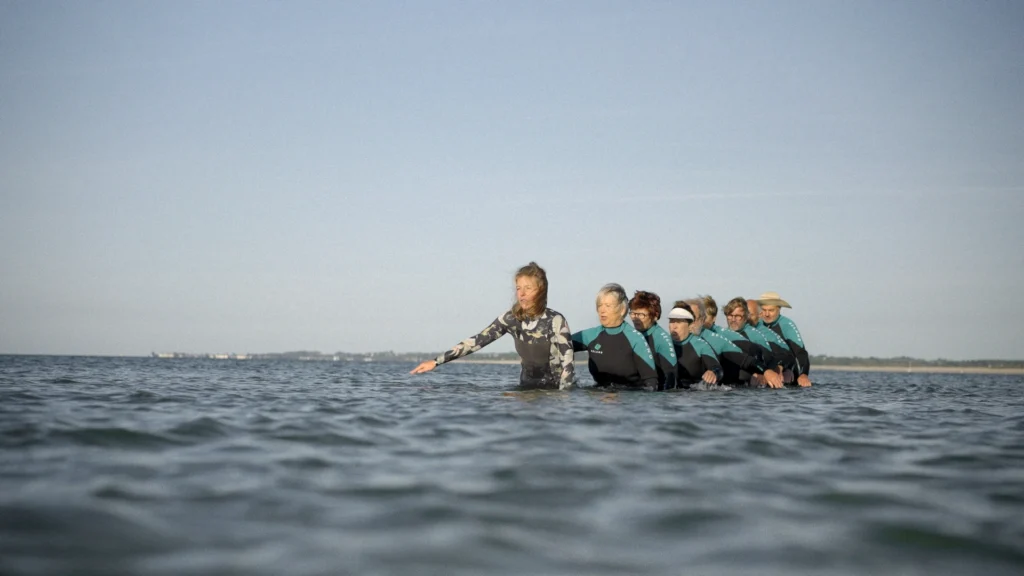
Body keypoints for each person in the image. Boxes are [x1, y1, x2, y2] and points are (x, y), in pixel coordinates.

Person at [410, 262, 575, 390]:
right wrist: (436, 361)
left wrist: (563, 398)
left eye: (528, 288)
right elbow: (477, 341)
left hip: (553, 396)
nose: (522, 294)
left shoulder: (555, 321)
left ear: (540, 290)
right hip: (525, 392)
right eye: (518, 288)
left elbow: (568, 365)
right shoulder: (511, 319)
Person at [571, 283, 659, 391]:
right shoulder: (591, 335)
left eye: (608, 306)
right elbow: (560, 344)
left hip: (630, 398)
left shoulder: (635, 339)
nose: (602, 310)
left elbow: (651, 382)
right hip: (599, 397)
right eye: (599, 305)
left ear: (622, 310)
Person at [691, 295, 782, 388]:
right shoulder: (695, 333)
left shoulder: (727, 334)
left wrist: (763, 373)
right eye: (730, 315)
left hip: (739, 380)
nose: (733, 319)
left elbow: (763, 353)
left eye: (738, 316)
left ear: (713, 318)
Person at [758, 291, 812, 387]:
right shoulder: (756, 323)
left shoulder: (786, 325)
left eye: (771, 310)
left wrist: (803, 375)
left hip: (787, 369)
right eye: (764, 310)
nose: (766, 314)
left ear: (779, 309)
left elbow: (801, 352)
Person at [628, 290, 677, 391]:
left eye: (641, 314)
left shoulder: (661, 339)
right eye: (633, 313)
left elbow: (671, 375)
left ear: (655, 316)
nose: (636, 318)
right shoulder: (629, 335)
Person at [667, 302, 724, 389]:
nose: (674, 326)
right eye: (671, 321)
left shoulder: (700, 345)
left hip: (695, 394)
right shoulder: (664, 343)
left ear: (690, 325)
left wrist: (713, 372)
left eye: (678, 322)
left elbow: (717, 368)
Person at [745, 298, 799, 384]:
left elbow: (789, 355)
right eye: (744, 315)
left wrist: (777, 368)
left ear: (759, 315)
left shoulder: (767, 332)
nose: (746, 318)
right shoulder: (739, 330)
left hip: (781, 367)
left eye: (750, 315)